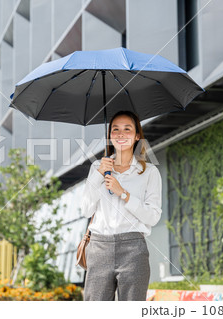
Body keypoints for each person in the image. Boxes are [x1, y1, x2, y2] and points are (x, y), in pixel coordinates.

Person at [80, 110, 162, 301]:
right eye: (115, 129)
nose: (121, 134)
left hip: (134, 250)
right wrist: (99, 173)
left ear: (137, 136)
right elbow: (85, 210)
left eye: (127, 129)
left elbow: (153, 216)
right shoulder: (97, 168)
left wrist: (123, 194)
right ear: (110, 136)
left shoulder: (149, 172)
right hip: (100, 247)